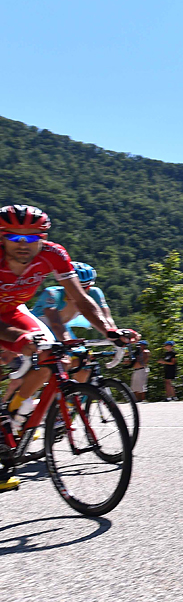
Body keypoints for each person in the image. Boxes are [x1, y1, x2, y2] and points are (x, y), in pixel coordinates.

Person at [0, 205, 138, 491]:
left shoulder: (54, 253)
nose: (24, 245)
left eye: (31, 237)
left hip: (12, 309)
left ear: (43, 236)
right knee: (21, 349)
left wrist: (110, 331)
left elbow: (82, 300)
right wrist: (18, 339)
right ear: (2, 237)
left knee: (50, 353)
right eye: (15, 238)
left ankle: (13, 415)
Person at [32, 261, 117, 383]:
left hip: (63, 328)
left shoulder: (95, 293)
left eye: (85, 287)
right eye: (75, 286)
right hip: (40, 329)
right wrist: (69, 345)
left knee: (84, 364)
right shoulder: (52, 293)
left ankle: (72, 399)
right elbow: (56, 324)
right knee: (60, 363)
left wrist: (116, 336)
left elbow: (106, 318)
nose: (80, 291)